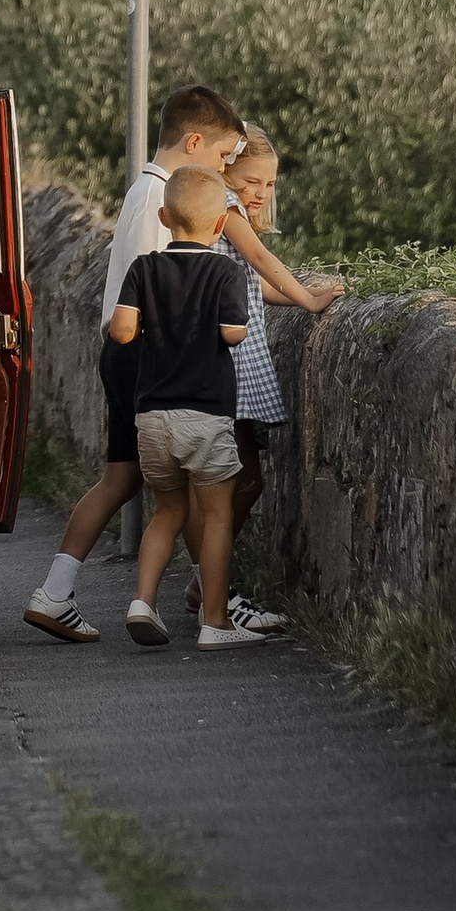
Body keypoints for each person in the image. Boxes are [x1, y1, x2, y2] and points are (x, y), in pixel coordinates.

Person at [23, 84, 242, 643]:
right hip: (147, 358)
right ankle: (218, 603)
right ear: (194, 142)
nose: (224, 171)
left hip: (127, 356)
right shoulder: (157, 201)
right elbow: (157, 293)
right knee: (186, 485)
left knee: (123, 480)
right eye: (222, 157)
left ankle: (55, 592)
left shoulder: (146, 193)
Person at [105, 163, 261, 651]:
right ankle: (215, 621)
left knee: (167, 511)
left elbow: (121, 331)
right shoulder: (226, 271)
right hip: (206, 414)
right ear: (221, 224)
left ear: (163, 217)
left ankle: (142, 601)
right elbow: (233, 334)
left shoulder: (143, 268)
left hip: (152, 416)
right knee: (215, 516)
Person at [211, 125, 345, 639]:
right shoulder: (224, 207)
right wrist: (309, 299)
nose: (262, 192)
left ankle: (208, 584)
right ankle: (212, 590)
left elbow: (258, 286)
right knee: (238, 481)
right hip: (226, 363)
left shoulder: (229, 211)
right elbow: (262, 261)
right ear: (227, 171)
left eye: (269, 184)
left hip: (237, 363)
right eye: (252, 180)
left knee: (242, 481)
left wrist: (305, 292)